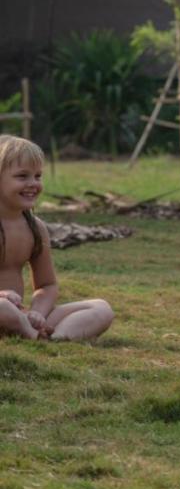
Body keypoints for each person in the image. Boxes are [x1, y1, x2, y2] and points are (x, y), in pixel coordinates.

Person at [0, 135, 114, 342]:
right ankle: (33, 336)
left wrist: (38, 313)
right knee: (3, 307)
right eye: (22, 176)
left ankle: (54, 338)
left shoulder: (35, 228)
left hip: (21, 316)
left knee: (101, 308)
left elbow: (47, 285)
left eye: (38, 176)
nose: (33, 183)